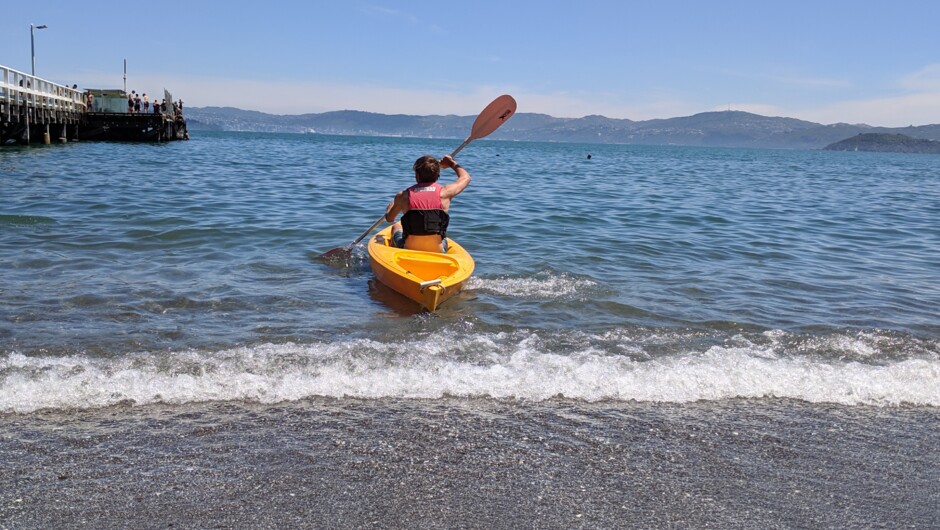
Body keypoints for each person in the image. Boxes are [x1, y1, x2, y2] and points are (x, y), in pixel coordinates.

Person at [384, 154, 470, 253]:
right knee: (443, 238)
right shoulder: (446, 192)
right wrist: (451, 163)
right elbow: (466, 177)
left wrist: (389, 210)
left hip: (409, 249)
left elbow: (390, 219)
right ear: (438, 175)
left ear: (417, 175)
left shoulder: (403, 196)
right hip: (438, 251)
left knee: (396, 226)